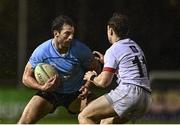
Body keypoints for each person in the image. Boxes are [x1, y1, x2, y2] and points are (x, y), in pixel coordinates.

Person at [17, 15, 100, 124]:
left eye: (72, 34)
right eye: (67, 33)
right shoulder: (42, 51)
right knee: (23, 122)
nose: (71, 37)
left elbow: (96, 68)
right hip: (50, 93)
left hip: (77, 93)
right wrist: (42, 87)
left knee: (100, 118)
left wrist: (87, 85)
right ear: (56, 33)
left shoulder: (81, 50)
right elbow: (25, 78)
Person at [78, 13, 152, 124]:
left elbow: (103, 82)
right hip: (145, 98)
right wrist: (106, 61)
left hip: (129, 93)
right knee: (106, 122)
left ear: (110, 30)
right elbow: (130, 69)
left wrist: (91, 77)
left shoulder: (114, 49)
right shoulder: (135, 46)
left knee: (84, 116)